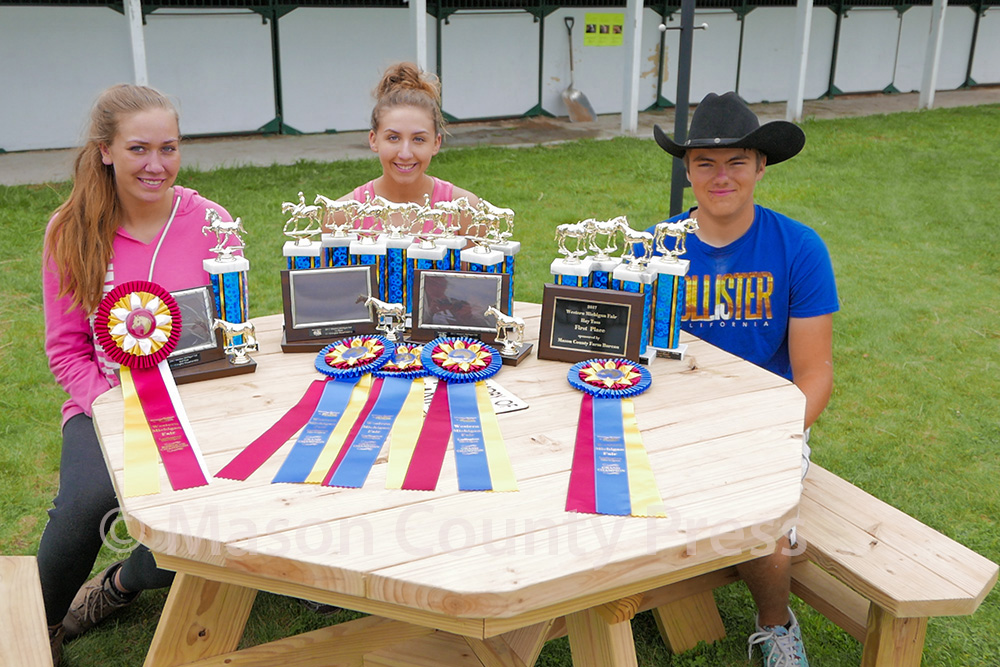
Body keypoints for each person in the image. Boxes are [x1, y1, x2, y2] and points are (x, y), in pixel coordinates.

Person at [39, 83, 235, 665]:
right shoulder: (69, 230)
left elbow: (232, 334)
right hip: (103, 403)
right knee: (88, 502)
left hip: (201, 399)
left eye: (169, 149)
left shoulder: (212, 222)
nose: (157, 165)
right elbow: (67, 350)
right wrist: (117, 412)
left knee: (234, 498)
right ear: (105, 150)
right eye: (139, 149)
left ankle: (124, 582)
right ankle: (38, 623)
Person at [648, 92, 838, 667]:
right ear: (687, 170)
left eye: (736, 161)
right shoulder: (660, 247)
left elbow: (815, 373)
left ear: (761, 166)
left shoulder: (798, 247)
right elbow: (636, 356)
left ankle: (776, 625)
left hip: (768, 424)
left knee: (759, 521)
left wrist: (772, 436)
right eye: (705, 161)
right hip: (675, 420)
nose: (720, 175)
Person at [331, 62, 480, 233]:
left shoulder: (465, 210)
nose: (405, 153)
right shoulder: (343, 215)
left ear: (436, 143)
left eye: (418, 139)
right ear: (374, 140)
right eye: (393, 138)